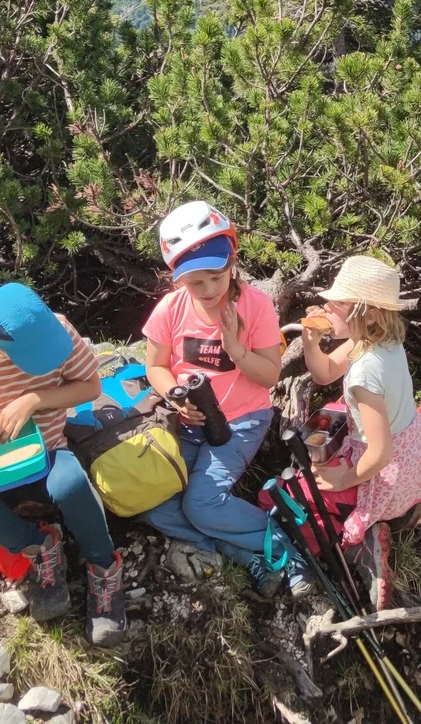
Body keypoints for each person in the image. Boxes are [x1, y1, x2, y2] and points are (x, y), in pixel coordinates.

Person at [0, 282, 128, 645]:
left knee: (70, 484)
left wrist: (34, 399)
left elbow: (90, 387)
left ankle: (103, 566)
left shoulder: (59, 330)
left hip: (48, 452)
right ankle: (39, 547)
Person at [138, 201, 294, 595]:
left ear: (232, 261)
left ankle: (285, 547)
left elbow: (271, 375)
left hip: (242, 419)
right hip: (190, 423)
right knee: (154, 503)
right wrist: (174, 396)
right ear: (178, 279)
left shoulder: (255, 306)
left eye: (216, 276)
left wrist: (235, 348)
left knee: (200, 503)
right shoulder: (170, 310)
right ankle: (245, 554)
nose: (208, 290)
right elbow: (155, 366)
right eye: (195, 282)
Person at [302, 255, 421, 608]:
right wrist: (310, 342)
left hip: (384, 469)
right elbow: (325, 373)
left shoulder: (365, 374)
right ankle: (402, 511)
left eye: (337, 303)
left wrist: (343, 478)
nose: (327, 308)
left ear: (365, 312)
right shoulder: (381, 341)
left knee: (300, 494)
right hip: (415, 452)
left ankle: (362, 540)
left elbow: (380, 453)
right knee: (336, 406)